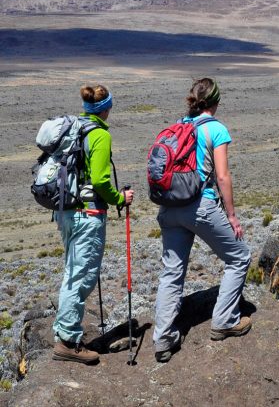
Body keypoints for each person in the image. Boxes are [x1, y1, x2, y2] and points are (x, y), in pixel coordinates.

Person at [153, 78, 251, 362]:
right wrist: (231, 216)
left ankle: (162, 339)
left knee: (172, 272)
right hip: (200, 206)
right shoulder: (215, 128)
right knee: (240, 257)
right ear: (216, 102)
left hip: (169, 208)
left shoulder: (180, 125)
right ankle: (224, 320)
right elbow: (222, 176)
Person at [52, 84, 135, 364]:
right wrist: (119, 198)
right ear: (106, 108)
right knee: (81, 277)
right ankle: (68, 342)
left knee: (72, 272)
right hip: (87, 214)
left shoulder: (74, 129)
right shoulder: (99, 135)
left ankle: (65, 335)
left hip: (66, 212)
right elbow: (100, 180)